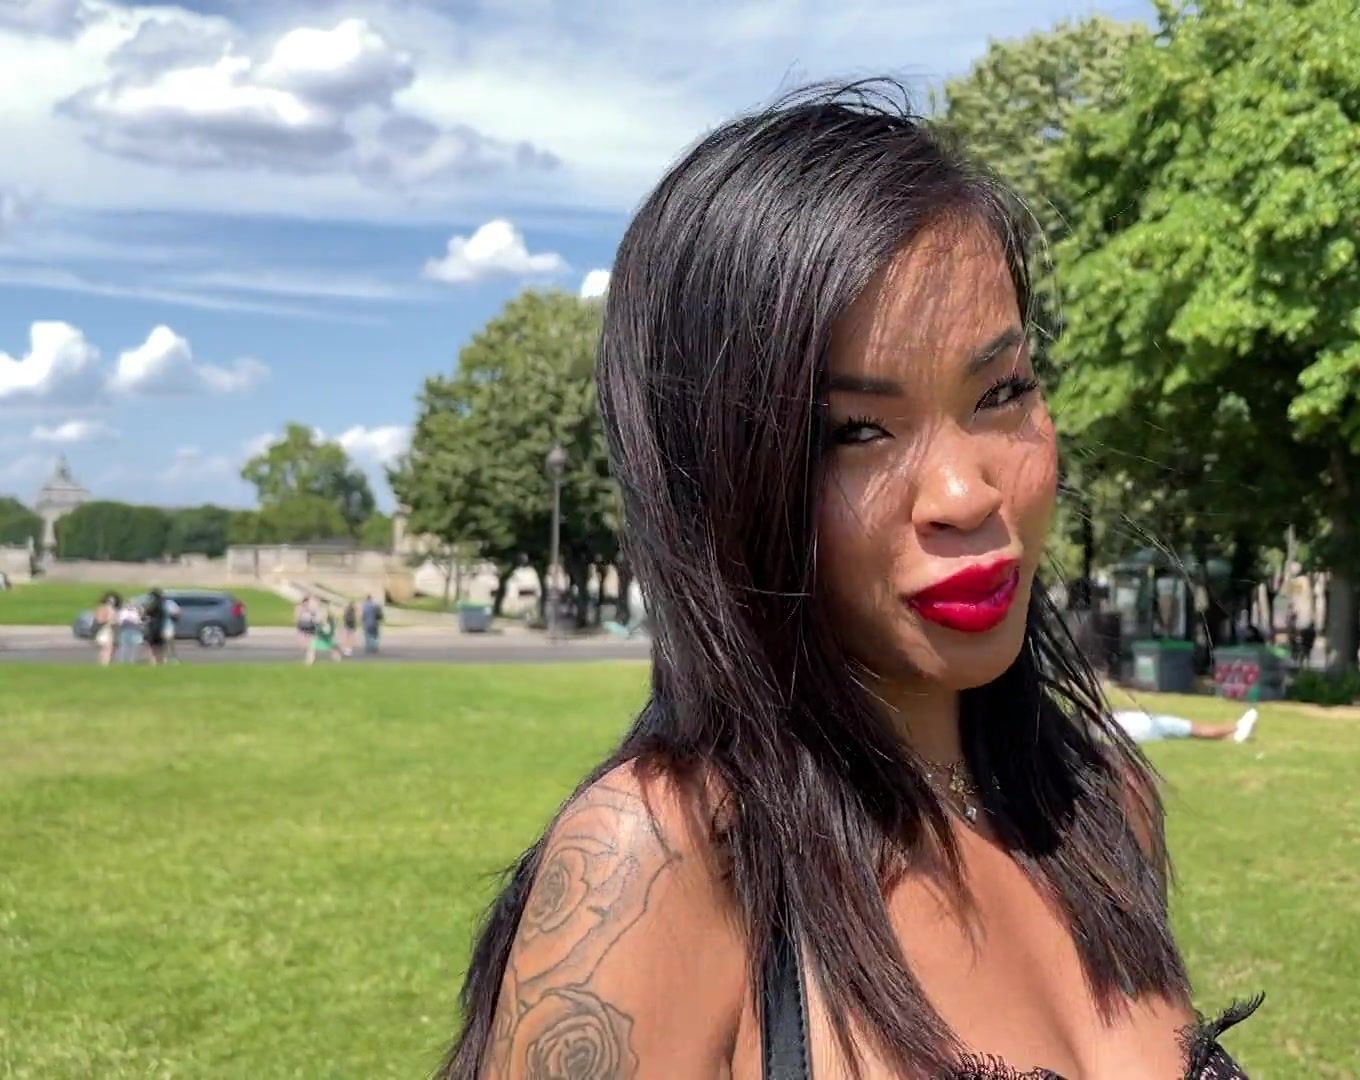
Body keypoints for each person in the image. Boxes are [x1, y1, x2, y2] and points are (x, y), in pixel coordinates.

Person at [440, 87, 1261, 1080]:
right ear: (718, 482)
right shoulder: (668, 858)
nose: (964, 495)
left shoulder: (1103, 808)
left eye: (1001, 392)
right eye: (856, 432)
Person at [1116, 706, 1259, 744]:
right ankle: (1237, 726)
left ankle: (1235, 736)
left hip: (1134, 726)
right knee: (1192, 729)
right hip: (1140, 725)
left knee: (1191, 733)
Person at [93, 592, 117, 666]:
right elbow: (100, 620)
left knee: (105, 649)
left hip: (104, 630)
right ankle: (105, 664)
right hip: (105, 630)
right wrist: (109, 620)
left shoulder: (101, 608)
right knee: (108, 648)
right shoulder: (105, 609)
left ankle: (103, 663)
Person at [295, 595, 319, 663]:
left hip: (311, 627)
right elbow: (297, 617)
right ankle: (309, 656)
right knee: (303, 645)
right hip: (303, 627)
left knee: (312, 645)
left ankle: (310, 659)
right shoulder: (300, 608)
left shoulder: (313, 608)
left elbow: (317, 617)